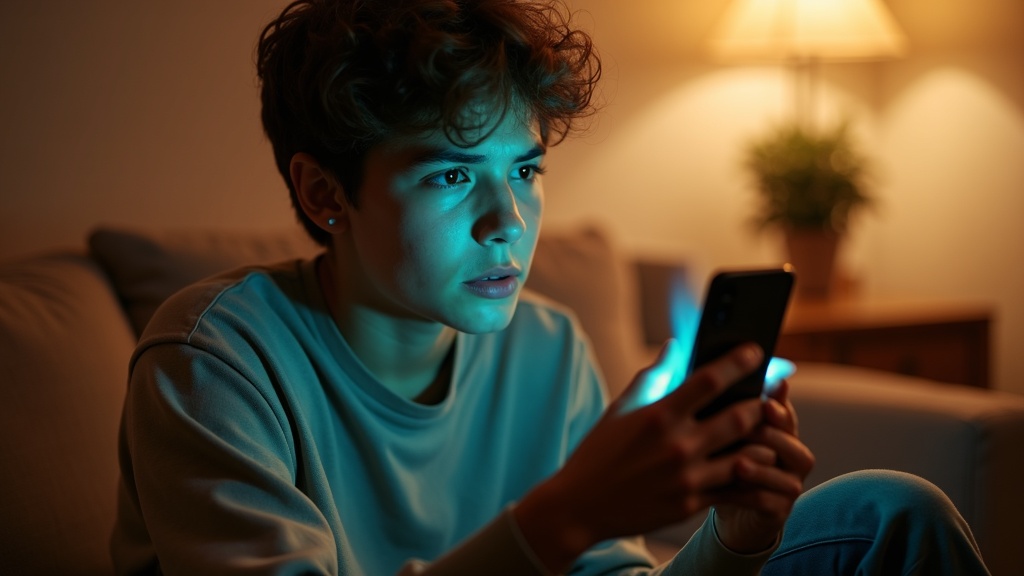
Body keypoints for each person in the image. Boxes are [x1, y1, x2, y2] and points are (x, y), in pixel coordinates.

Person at [110, 1, 991, 574]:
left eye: (524, 170)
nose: (509, 221)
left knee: (891, 513)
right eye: (453, 178)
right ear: (324, 193)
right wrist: (566, 513)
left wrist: (737, 540)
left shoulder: (547, 343)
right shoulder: (214, 359)